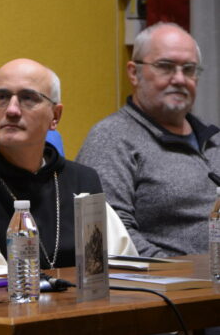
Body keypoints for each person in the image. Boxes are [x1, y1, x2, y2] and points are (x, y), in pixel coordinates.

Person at [0, 58, 137, 275]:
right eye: (1, 97)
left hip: (88, 308)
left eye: (28, 98)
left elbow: (123, 267)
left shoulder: (82, 182)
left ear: (55, 116)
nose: (11, 110)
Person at [77, 22, 220, 257]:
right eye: (165, 67)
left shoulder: (213, 138)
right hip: (172, 287)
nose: (179, 79)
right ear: (134, 73)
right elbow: (113, 235)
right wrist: (182, 275)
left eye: (189, 69)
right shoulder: (111, 138)